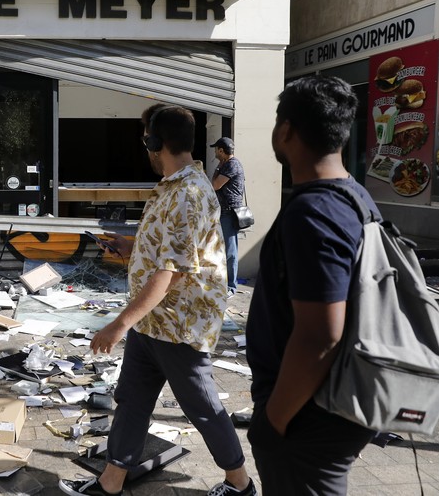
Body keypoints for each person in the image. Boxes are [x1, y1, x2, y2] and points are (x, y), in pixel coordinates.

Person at [59, 104, 256, 496]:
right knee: (131, 400)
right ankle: (110, 483)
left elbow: (171, 272)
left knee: (202, 408)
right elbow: (171, 249)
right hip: (153, 323)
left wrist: (118, 324)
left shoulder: (188, 193)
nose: (143, 145)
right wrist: (132, 246)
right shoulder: (173, 185)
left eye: (145, 137)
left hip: (179, 326)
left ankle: (240, 483)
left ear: (154, 141)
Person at [245, 75, 378, 495]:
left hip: (309, 412)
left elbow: (321, 334)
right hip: (339, 398)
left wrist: (274, 420)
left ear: (286, 131)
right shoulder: (357, 197)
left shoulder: (314, 212)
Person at [210, 137, 245, 297]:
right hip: (224, 212)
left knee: (230, 251)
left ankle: (231, 287)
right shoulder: (227, 164)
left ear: (221, 151)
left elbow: (215, 185)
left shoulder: (232, 165)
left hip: (229, 213)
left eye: (216, 150)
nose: (215, 153)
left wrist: (218, 166)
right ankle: (224, 283)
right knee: (223, 250)